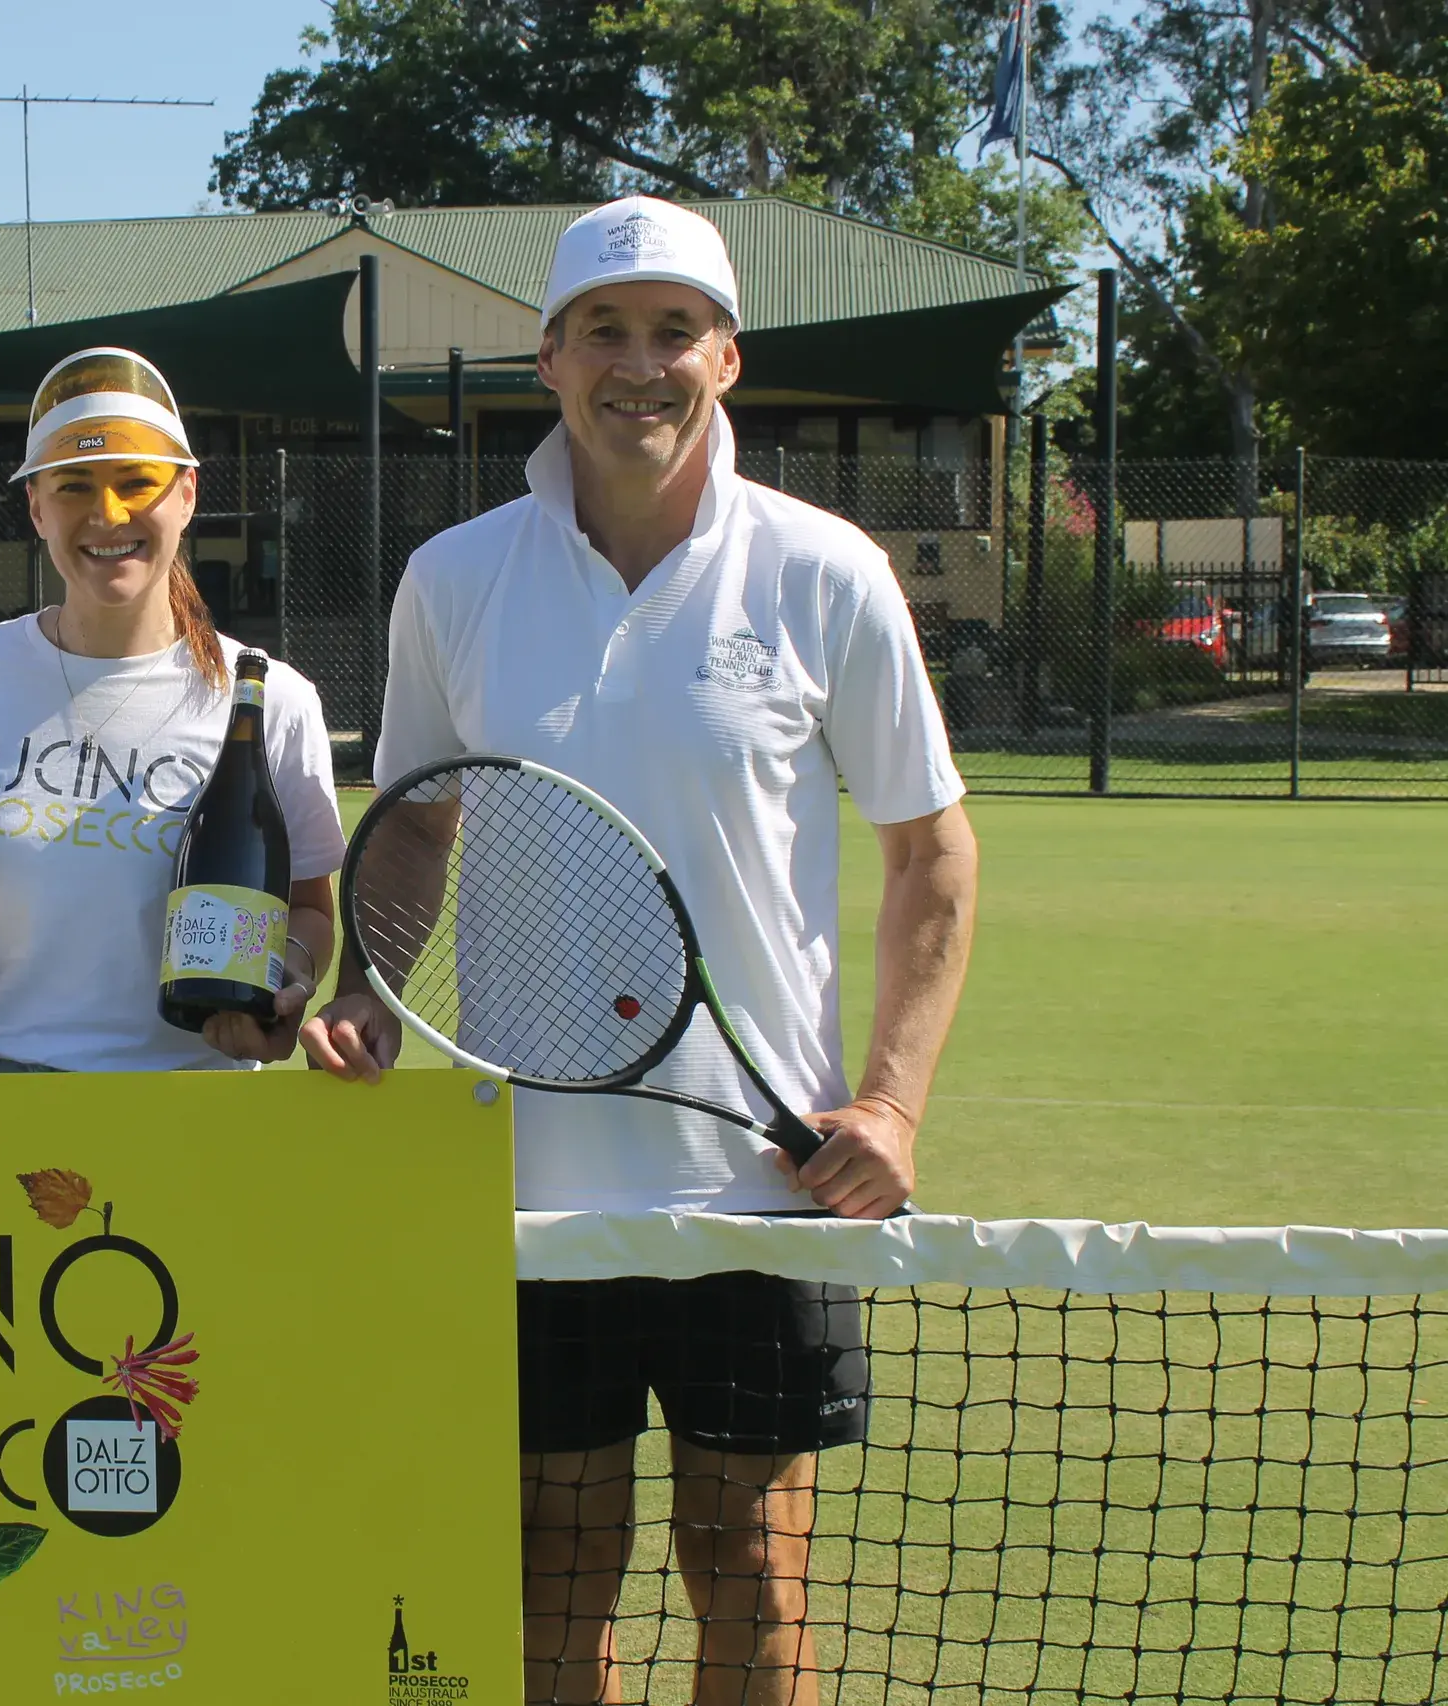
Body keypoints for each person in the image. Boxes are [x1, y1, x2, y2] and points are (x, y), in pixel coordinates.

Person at [304, 198, 981, 1705]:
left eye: (674, 329)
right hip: (529, 1184)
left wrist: (892, 1106)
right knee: (549, 1573)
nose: (640, 363)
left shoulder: (826, 571)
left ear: (726, 358)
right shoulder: (457, 579)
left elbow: (933, 854)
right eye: (604, 330)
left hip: (764, 1183)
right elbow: (414, 826)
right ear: (547, 358)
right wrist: (371, 982)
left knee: (751, 1561)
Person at [0, 347, 346, 1072]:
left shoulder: (269, 698)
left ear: (187, 496)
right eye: (73, 487)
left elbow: (310, 911)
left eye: (137, 483)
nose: (109, 514)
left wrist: (287, 976)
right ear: (36, 507)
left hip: (192, 1105)